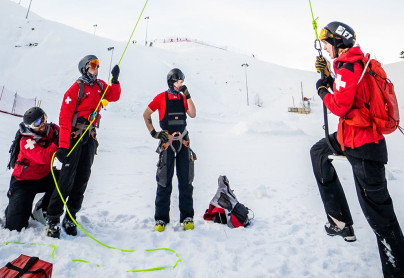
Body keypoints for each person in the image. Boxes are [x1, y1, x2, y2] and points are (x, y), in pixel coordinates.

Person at [310, 21, 404, 277]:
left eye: (328, 44)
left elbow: (339, 106)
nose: (327, 49)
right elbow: (348, 94)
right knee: (318, 152)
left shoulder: (349, 66)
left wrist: (321, 90)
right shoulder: (352, 63)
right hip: (353, 139)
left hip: (364, 148)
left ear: (338, 43)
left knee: (381, 218)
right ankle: (340, 221)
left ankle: (397, 271)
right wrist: (328, 77)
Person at [45, 55, 121, 238]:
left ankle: (71, 216)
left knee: (83, 177)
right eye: (93, 66)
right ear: (85, 68)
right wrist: (63, 146)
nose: (96, 69)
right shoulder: (76, 89)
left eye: (98, 66)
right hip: (73, 138)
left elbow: (114, 96)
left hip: (90, 138)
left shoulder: (101, 85)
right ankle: (53, 218)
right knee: (66, 180)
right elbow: (64, 119)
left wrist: (115, 80)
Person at [143, 68, 196, 232]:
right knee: (164, 181)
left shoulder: (183, 97)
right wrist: (154, 133)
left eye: (182, 82)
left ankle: (187, 218)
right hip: (167, 144)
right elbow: (146, 114)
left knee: (186, 181)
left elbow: (193, 114)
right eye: (180, 81)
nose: (182, 84)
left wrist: (188, 96)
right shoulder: (161, 97)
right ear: (172, 81)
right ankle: (161, 219)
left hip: (183, 143)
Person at [5, 107, 59, 231]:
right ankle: (13, 206)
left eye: (43, 118)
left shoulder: (53, 130)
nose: (43, 124)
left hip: (44, 176)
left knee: (64, 179)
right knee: (15, 227)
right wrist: (57, 143)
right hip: (23, 181)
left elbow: (66, 133)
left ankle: (42, 208)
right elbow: (43, 157)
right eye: (38, 123)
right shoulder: (26, 141)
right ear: (30, 126)